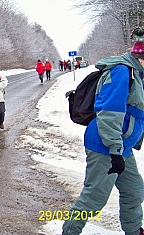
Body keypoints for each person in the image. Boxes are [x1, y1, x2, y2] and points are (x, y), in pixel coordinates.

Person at [62, 27, 144, 235]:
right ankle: (69, 231)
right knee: (93, 199)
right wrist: (115, 150)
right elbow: (109, 113)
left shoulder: (138, 74)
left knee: (134, 192)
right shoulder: (122, 71)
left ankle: (134, 231)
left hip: (121, 146)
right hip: (105, 144)